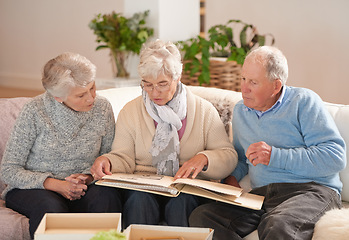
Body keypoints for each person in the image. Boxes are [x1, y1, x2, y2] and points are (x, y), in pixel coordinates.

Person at [189, 46, 346, 240]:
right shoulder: (241, 111)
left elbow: (334, 157)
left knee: (278, 225)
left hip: (312, 192)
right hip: (263, 195)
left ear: (276, 86)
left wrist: (274, 156)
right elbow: (241, 156)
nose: (243, 88)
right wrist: (231, 178)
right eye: (243, 79)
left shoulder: (303, 102)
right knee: (202, 217)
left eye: (253, 82)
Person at [90, 39, 238, 228]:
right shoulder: (130, 111)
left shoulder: (203, 110)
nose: (154, 92)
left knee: (183, 202)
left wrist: (204, 158)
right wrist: (108, 161)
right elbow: (123, 157)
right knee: (139, 200)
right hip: (143, 185)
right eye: (147, 84)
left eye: (162, 84)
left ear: (178, 78)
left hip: (187, 189)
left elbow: (228, 155)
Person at [0, 52, 122, 238]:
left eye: (92, 88)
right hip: (36, 189)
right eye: (81, 95)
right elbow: (9, 170)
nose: (91, 98)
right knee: (50, 208)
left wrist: (89, 177)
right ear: (57, 97)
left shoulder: (102, 108)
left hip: (84, 187)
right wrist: (56, 184)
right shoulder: (34, 111)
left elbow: (108, 156)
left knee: (107, 197)